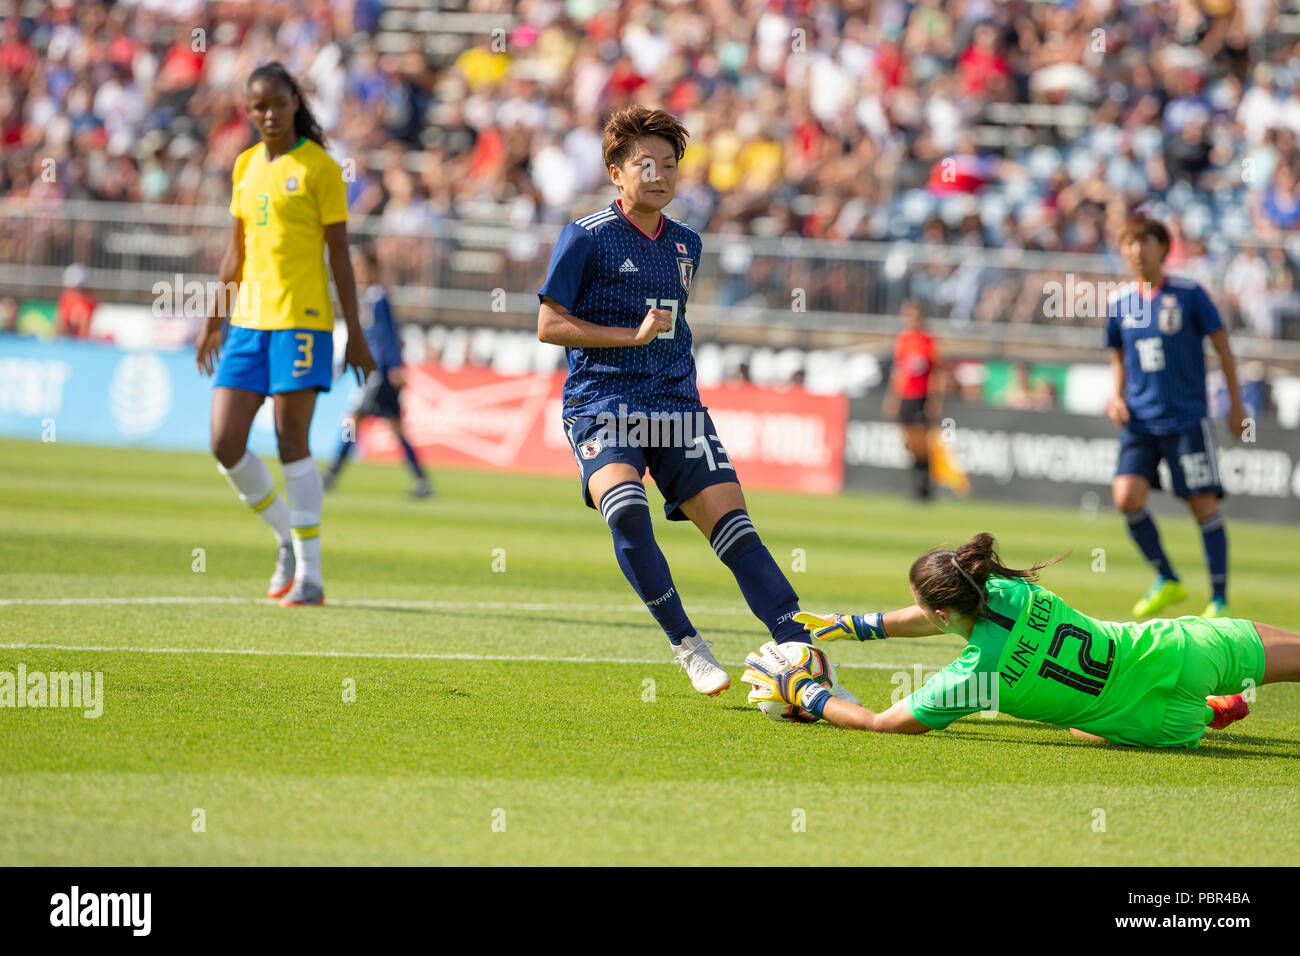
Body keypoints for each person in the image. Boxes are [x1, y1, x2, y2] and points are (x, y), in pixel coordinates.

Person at [537, 105, 836, 698]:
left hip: (676, 405)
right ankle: (688, 645)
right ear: (616, 171)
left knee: (735, 527)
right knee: (624, 507)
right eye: (644, 163)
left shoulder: (686, 243)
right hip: (604, 401)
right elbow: (549, 324)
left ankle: (800, 649)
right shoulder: (585, 236)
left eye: (670, 164)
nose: (659, 174)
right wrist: (629, 338)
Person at [742, 532, 1297, 748]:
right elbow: (938, 612)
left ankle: (1203, 712)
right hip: (1178, 650)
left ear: (939, 611)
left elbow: (881, 723)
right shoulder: (1008, 589)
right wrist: (854, 625)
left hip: (1153, 725)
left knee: (1080, 720)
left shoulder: (971, 680)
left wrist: (804, 691)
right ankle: (1210, 699)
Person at [196, 62, 375, 607]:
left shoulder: (320, 167)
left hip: (302, 321)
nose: (269, 114)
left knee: (290, 441)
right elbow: (235, 252)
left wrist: (356, 334)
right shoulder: (246, 165)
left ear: (295, 101)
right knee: (225, 442)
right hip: (248, 323)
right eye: (259, 106)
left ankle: (311, 575)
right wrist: (213, 319)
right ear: (248, 112)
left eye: (277, 102)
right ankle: (285, 538)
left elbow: (340, 256)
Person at [1105, 214, 1247, 619]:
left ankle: (1218, 599)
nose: (1136, 251)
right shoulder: (1119, 303)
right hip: (1139, 421)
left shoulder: (1189, 293)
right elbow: (1117, 354)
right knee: (1125, 497)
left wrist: (1236, 404)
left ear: (1162, 247)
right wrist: (1115, 395)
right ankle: (1167, 578)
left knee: (1202, 505)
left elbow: (1223, 348)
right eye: (1129, 243)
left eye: (1144, 242)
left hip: (1186, 420)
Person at [323, 244, 433, 498]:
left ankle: (331, 474)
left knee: (353, 422)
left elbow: (387, 337)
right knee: (395, 428)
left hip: (377, 376)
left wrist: (395, 367)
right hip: (379, 374)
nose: (357, 273)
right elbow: (370, 338)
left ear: (372, 269)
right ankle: (421, 481)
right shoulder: (370, 298)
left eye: (361, 268)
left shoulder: (377, 297)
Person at [883, 299, 943, 500]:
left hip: (921, 396)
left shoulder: (929, 341)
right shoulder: (903, 340)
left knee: (919, 442)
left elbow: (937, 371)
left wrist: (934, 400)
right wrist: (892, 398)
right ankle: (919, 479)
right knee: (908, 442)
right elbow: (899, 372)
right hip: (905, 396)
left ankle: (923, 482)